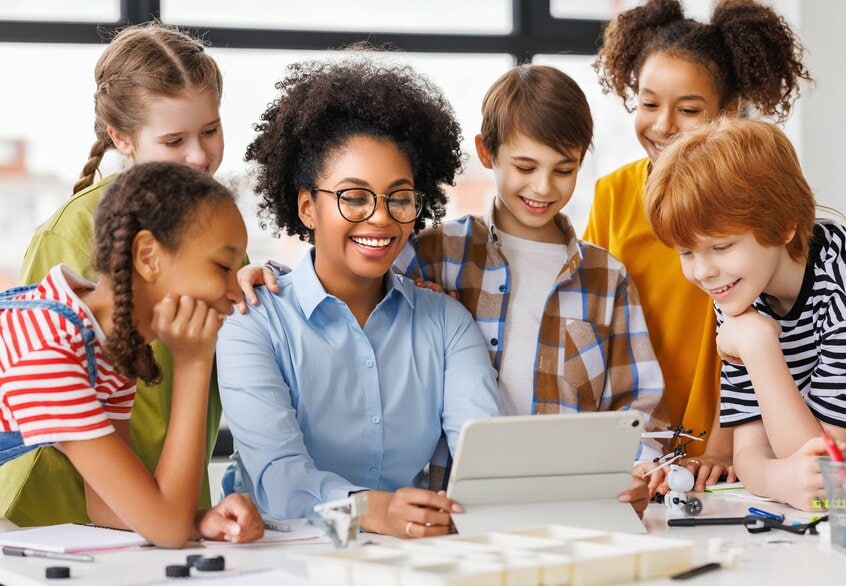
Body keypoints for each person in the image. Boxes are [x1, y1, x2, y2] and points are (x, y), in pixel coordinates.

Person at [238, 64, 654, 517]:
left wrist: (637, 471)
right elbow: (337, 268)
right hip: (313, 537)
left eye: (398, 198)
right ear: (488, 153)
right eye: (354, 196)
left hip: (511, 514)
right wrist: (268, 275)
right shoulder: (433, 252)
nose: (542, 186)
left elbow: (635, 406)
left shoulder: (453, 312)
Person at [216, 57, 504, 539]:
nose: (381, 218)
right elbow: (280, 480)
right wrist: (374, 511)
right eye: (353, 197)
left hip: (409, 560)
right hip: (281, 561)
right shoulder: (254, 321)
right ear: (308, 206)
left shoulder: (446, 323)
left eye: (399, 197)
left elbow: (486, 457)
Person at [0, 22, 226, 526]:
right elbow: (50, 388)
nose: (198, 155)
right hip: (53, 507)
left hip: (143, 500)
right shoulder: (69, 245)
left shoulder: (208, 226)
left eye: (210, 130)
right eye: (174, 140)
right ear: (120, 138)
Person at [582, 0, 812, 492]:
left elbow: (761, 326)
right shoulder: (612, 196)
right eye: (648, 104)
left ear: (727, 111)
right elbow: (594, 318)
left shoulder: (751, 204)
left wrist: (724, 448)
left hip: (727, 442)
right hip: (640, 439)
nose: (663, 125)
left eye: (688, 109)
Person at [0, 162, 262, 546]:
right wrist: (193, 362)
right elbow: (166, 530)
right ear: (148, 256)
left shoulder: (108, 349)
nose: (236, 292)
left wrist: (198, 520)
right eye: (222, 266)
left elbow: (108, 507)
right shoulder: (51, 353)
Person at [645, 117, 846, 510]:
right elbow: (749, 450)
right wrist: (778, 480)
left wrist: (759, 347)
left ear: (784, 226)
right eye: (686, 252)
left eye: (722, 246)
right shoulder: (742, 287)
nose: (703, 272)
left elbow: (830, 472)